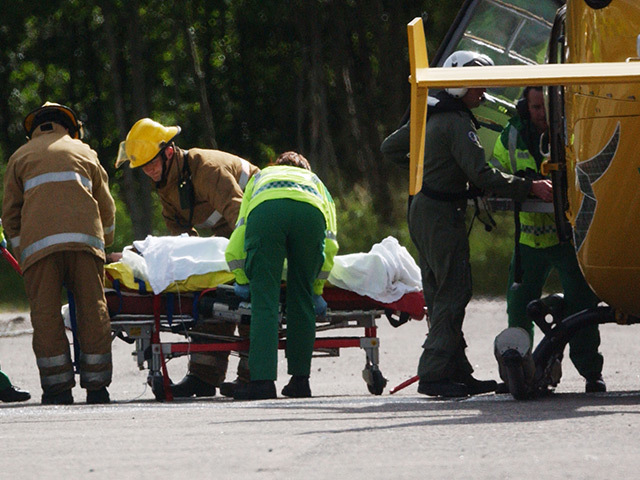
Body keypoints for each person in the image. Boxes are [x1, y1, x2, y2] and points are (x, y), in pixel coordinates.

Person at [382, 51, 553, 398]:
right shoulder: (457, 122)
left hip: (422, 208)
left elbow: (391, 148)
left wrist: (428, 169)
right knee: (454, 290)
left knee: (439, 289)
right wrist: (529, 186)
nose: (483, 91)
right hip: (442, 215)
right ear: (459, 85)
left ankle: (456, 370)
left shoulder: (432, 114)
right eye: (476, 85)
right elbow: (481, 174)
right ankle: (433, 374)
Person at [115, 118, 260, 398]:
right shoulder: (166, 184)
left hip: (253, 222)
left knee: (245, 298)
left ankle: (252, 377)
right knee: (208, 294)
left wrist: (249, 260)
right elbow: (181, 239)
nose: (148, 171)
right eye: (143, 167)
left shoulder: (205, 168)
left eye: (151, 164)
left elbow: (241, 215)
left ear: (168, 152)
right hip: (228, 232)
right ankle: (203, 378)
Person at [491, 86, 605, 392]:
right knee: (517, 307)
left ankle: (591, 373)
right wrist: (529, 185)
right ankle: (521, 366)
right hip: (528, 242)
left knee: (583, 308)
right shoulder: (510, 135)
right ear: (525, 107)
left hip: (567, 240)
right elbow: (496, 171)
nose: (541, 114)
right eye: (535, 108)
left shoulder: (574, 130)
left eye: (546, 107)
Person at [2, 102, 116, 405]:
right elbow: (106, 207)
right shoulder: (85, 152)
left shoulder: (20, 157)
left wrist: (22, 252)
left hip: (40, 250)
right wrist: (105, 244)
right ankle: (97, 386)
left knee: (46, 315)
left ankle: (57, 389)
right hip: (85, 246)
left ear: (35, 128)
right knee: (93, 309)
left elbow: (10, 215)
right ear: (70, 126)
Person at [225, 151, 338, 400]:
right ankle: (300, 382)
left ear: (277, 165)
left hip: (268, 213)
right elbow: (329, 241)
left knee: (264, 302)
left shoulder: (261, 178)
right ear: (305, 168)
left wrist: (244, 280)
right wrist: (315, 288)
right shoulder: (316, 183)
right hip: (310, 215)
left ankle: (263, 382)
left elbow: (241, 230)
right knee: (302, 300)